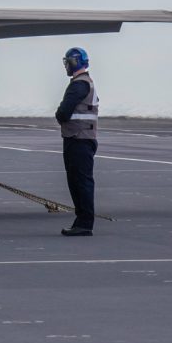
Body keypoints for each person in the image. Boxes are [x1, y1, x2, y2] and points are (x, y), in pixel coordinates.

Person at [55, 47, 99, 236]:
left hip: (78, 139)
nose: (66, 66)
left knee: (80, 182)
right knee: (78, 181)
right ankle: (82, 220)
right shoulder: (85, 82)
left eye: (68, 62)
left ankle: (84, 223)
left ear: (74, 62)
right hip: (81, 138)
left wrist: (59, 113)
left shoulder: (79, 84)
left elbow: (63, 112)